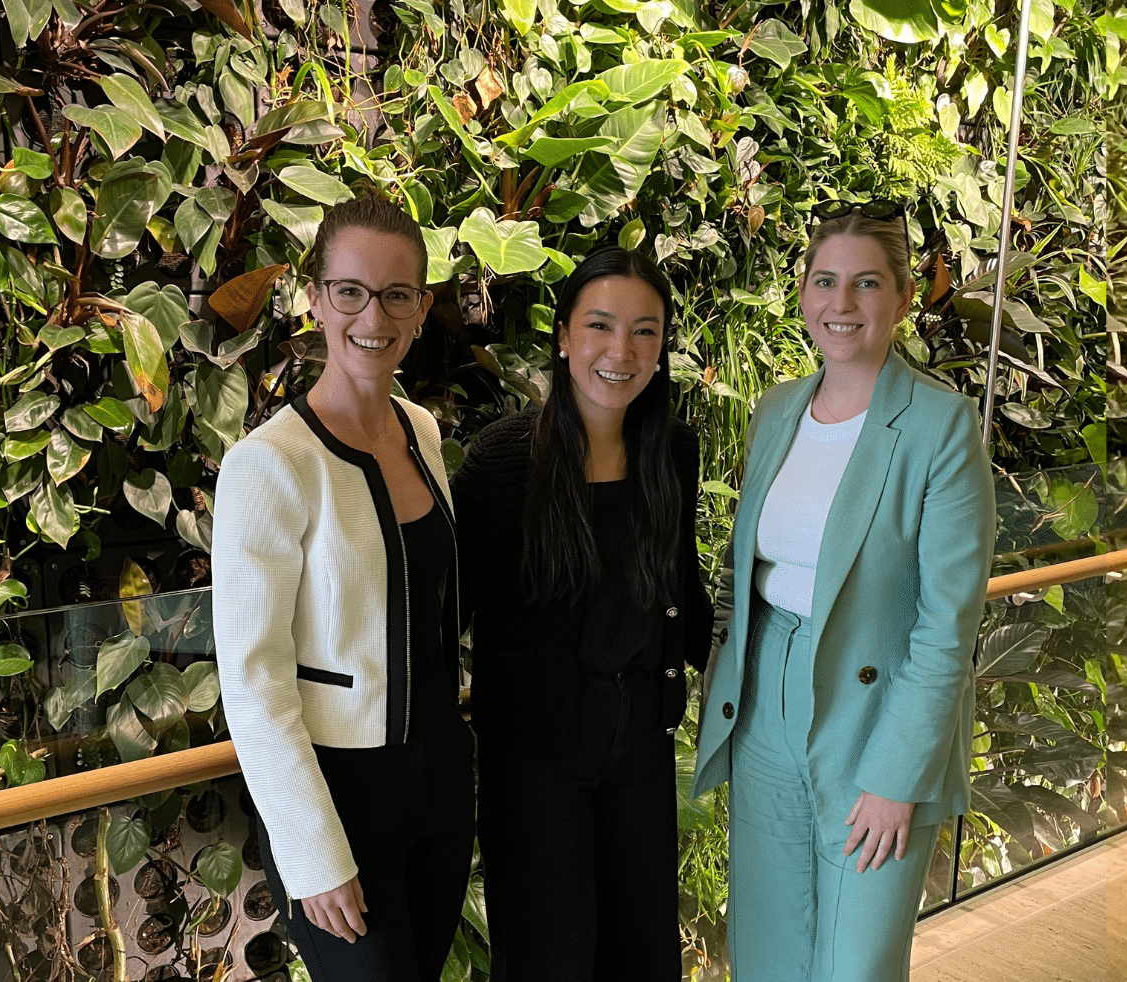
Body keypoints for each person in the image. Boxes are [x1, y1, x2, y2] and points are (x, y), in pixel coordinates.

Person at [691, 201, 997, 981]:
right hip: (766, 704)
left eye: (866, 284)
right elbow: (740, 576)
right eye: (825, 281)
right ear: (802, 294)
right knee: (767, 950)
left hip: (876, 717)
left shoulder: (940, 427)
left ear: (901, 298)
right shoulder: (776, 411)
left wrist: (898, 777)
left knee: (855, 965)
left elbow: (945, 626)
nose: (842, 303)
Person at [212, 195, 472, 982]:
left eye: (398, 294)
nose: (374, 315)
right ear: (316, 299)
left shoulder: (420, 430)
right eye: (350, 291)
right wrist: (312, 849)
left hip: (440, 780)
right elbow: (253, 681)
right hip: (339, 795)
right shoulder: (270, 464)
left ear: (422, 308)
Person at [453, 246, 712, 982]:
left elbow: (682, 596)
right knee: (547, 957)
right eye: (600, 326)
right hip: (534, 761)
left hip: (639, 749)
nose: (620, 351)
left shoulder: (672, 454)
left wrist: (755, 673)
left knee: (642, 950)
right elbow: (451, 616)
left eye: (644, 332)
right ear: (564, 335)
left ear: (662, 348)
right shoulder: (502, 463)